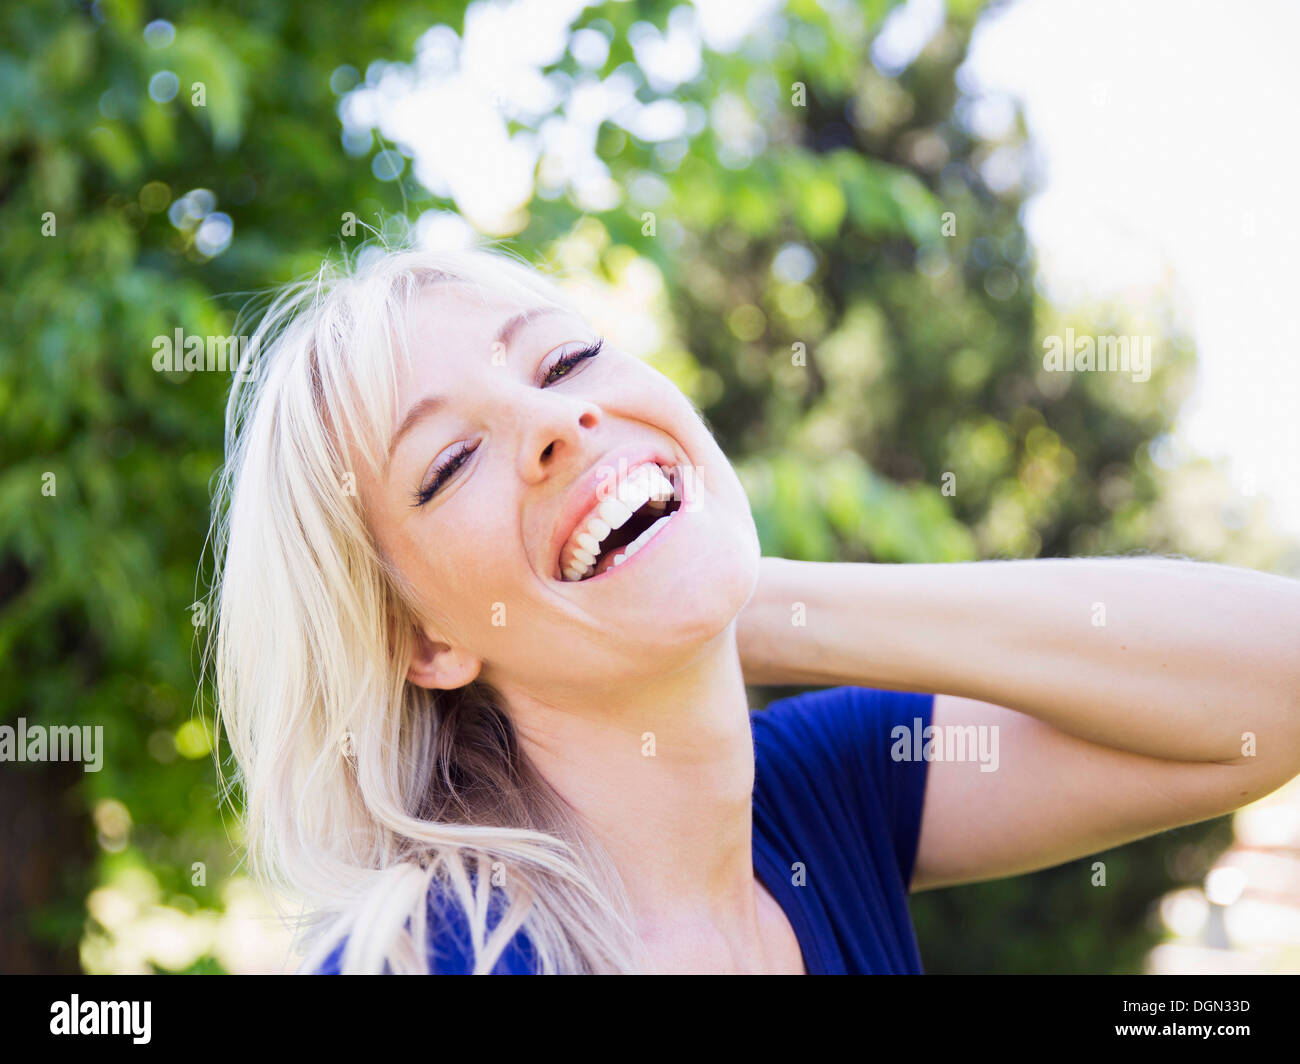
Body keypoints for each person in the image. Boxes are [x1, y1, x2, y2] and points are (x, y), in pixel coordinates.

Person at [207, 241, 1300, 974]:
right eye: (448, 461)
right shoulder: (432, 959)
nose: (559, 418)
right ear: (424, 640)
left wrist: (746, 598)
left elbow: (1272, 686)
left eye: (567, 356)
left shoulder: (822, 794)